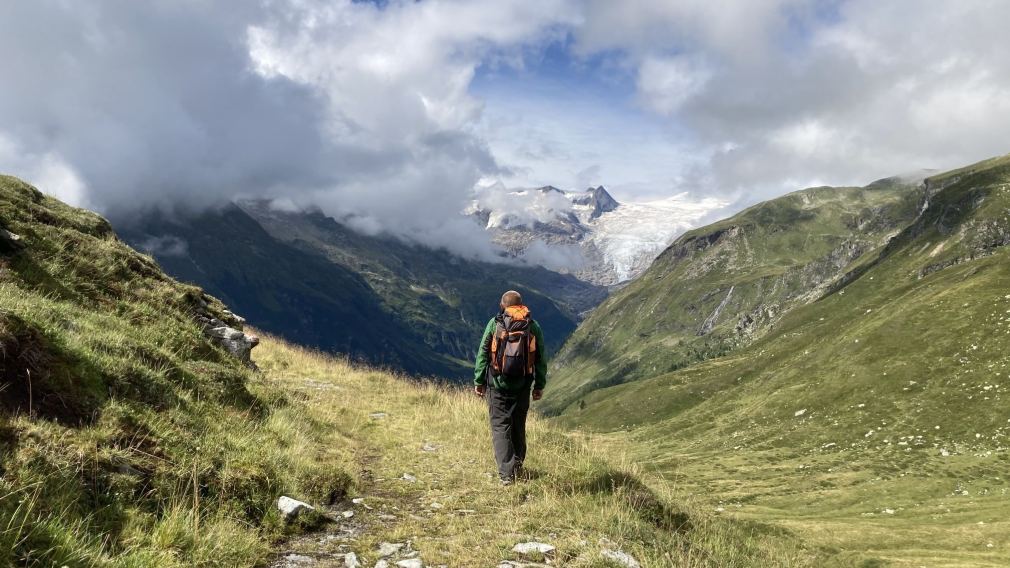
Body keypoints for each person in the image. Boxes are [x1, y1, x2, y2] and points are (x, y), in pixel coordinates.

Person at [473, 290, 547, 485]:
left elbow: (483, 353)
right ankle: (518, 465)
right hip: (523, 384)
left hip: (497, 383)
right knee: (518, 425)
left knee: (500, 427)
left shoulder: (495, 323)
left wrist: (479, 381)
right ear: (521, 305)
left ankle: (507, 475)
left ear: (503, 305)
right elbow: (540, 358)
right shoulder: (532, 326)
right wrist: (539, 385)